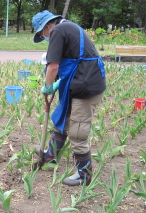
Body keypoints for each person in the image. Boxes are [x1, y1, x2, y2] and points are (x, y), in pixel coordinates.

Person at [32, 10, 106, 186]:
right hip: (82, 81)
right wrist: (57, 85)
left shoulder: (57, 31)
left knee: (77, 131)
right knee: (63, 117)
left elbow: (53, 67)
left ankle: (84, 174)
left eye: (43, 35)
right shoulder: (69, 27)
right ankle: (50, 155)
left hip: (85, 87)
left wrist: (48, 86)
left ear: (47, 27)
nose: (45, 38)